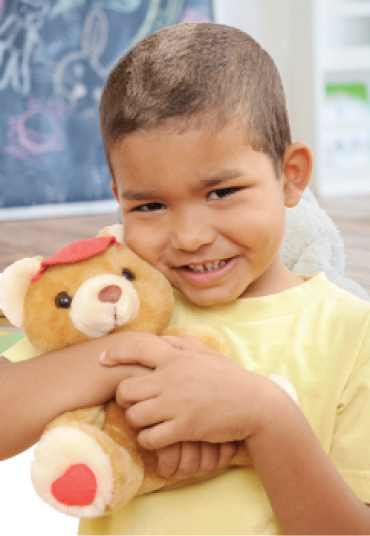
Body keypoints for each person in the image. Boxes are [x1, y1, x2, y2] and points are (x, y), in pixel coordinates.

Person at [1, 22, 370, 535]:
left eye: (222, 192)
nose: (191, 236)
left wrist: (265, 419)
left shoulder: (354, 335)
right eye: (149, 204)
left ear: (290, 176)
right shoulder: (116, 295)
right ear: (119, 196)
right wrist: (126, 359)